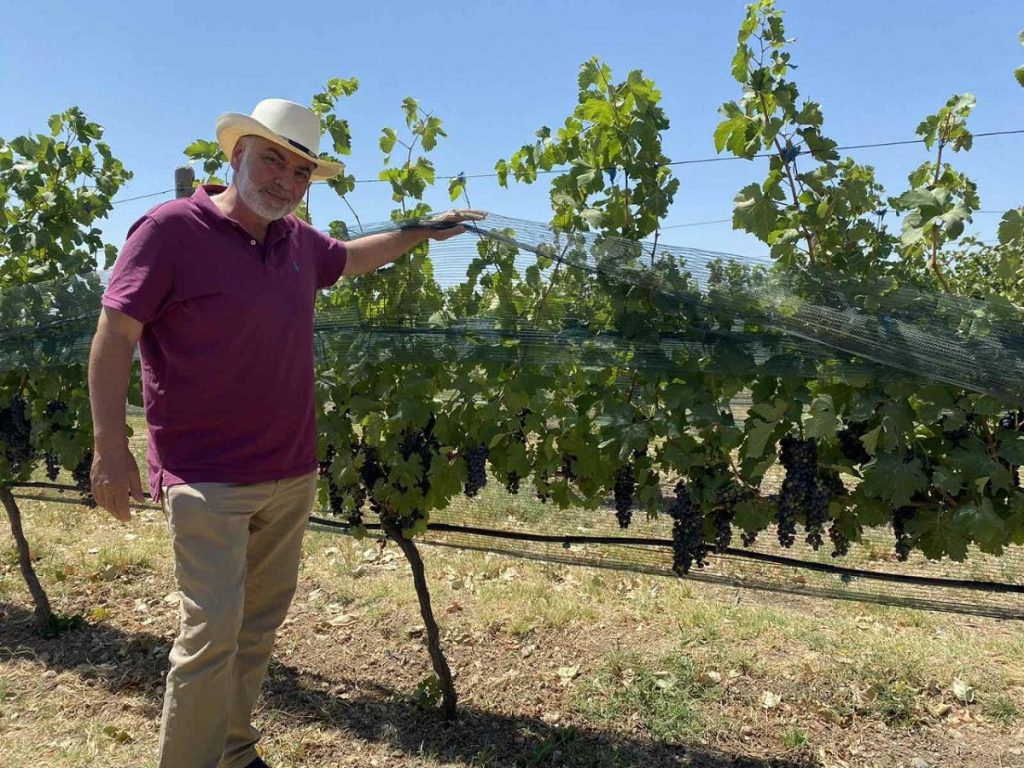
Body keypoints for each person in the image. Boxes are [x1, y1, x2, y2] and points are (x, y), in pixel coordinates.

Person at [87, 98, 484, 768]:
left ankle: (235, 753)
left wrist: (424, 229)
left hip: (291, 473)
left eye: (301, 172)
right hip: (205, 477)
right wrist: (109, 449)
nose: (287, 181)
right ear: (237, 153)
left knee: (255, 632)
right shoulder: (169, 231)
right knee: (210, 636)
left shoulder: (297, 241)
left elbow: (355, 257)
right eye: (275, 159)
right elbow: (114, 336)